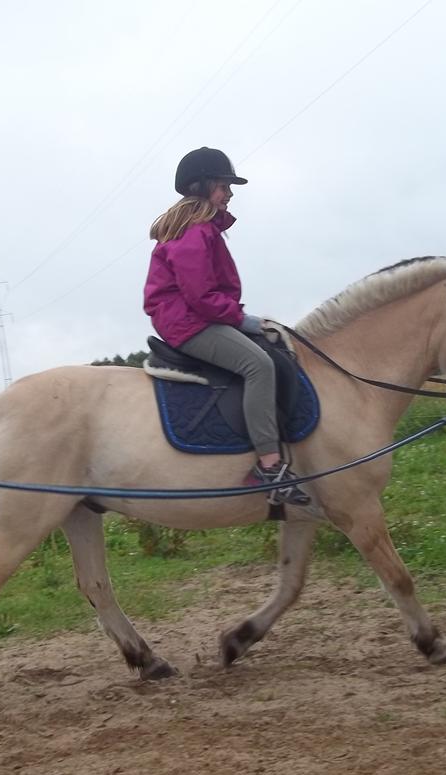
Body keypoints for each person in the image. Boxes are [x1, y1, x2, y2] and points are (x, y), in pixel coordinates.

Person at [143, 146, 311, 506]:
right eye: (223, 186)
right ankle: (269, 466)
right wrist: (242, 319)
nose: (230, 193)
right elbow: (201, 294)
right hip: (188, 321)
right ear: (201, 186)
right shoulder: (195, 230)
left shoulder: (201, 229)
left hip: (196, 315)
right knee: (257, 364)